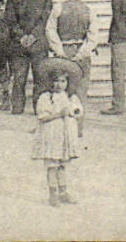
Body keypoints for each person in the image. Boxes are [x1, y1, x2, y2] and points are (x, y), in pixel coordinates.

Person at [5, 0, 52, 114]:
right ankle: (39, 108)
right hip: (38, 41)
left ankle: (17, 108)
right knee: (40, 78)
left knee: (18, 78)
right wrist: (34, 35)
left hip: (19, 43)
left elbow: (10, 19)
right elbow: (46, 18)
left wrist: (21, 36)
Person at [31, 70, 82, 206]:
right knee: (52, 165)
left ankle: (63, 192)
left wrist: (73, 111)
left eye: (63, 81)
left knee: (62, 165)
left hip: (65, 135)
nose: (59, 84)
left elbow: (77, 111)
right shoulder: (46, 97)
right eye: (56, 81)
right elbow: (43, 116)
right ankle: (53, 194)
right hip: (52, 134)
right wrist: (59, 114)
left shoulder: (71, 97)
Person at [45, 0, 96, 107]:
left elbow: (50, 30)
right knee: (80, 90)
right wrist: (80, 54)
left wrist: (59, 51)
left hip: (63, 50)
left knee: (61, 88)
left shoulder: (58, 8)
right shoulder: (89, 11)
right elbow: (93, 37)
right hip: (81, 53)